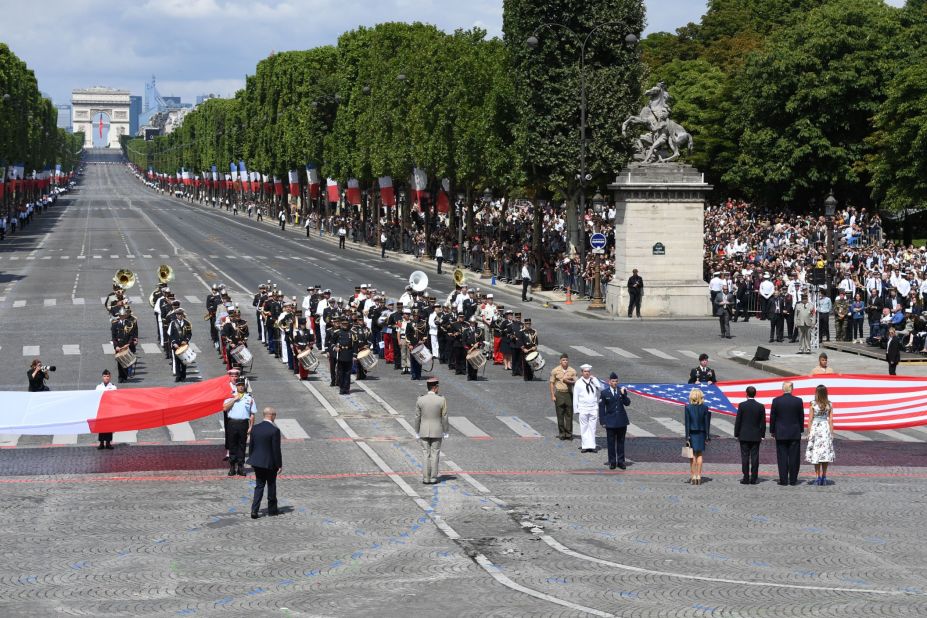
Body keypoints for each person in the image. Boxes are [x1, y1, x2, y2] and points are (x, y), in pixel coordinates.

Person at [248, 407, 283, 518]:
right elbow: (276, 450)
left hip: (257, 462)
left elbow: (251, 447)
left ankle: (254, 510)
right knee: (271, 485)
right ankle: (272, 510)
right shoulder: (274, 430)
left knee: (259, 486)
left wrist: (252, 459)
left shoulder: (255, 428)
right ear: (271, 415)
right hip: (270, 463)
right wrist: (279, 465)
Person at [413, 378, 449, 484]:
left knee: (425, 454)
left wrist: (416, 430)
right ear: (435, 387)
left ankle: (425, 478)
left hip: (423, 430)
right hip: (437, 430)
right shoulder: (441, 400)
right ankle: (433, 477)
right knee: (435, 454)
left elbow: (417, 417)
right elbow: (444, 417)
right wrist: (446, 430)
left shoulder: (420, 399)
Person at [769, 381, 805, 486]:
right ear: (792, 389)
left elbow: (773, 417)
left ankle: (783, 480)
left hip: (780, 432)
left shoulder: (776, 401)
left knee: (782, 457)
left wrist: (772, 430)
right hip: (794, 432)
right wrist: (801, 430)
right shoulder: (798, 401)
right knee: (794, 457)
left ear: (782, 389)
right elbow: (801, 417)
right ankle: (793, 480)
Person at [223, 380, 256, 477]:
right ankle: (232, 466)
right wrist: (234, 399)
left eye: (242, 385)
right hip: (232, 423)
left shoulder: (249, 399)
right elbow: (225, 408)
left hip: (243, 423)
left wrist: (251, 427)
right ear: (236, 386)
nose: (241, 387)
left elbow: (252, 414)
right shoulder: (229, 397)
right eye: (239, 385)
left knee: (242, 445)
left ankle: (241, 467)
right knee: (232, 445)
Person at [733, 386, 766, 484]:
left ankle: (746, 477)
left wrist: (736, 433)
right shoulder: (760, 406)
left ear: (746, 394)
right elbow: (763, 422)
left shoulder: (742, 405)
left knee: (745, 457)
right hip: (756, 435)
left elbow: (738, 420)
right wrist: (762, 435)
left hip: (744, 435)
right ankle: (754, 478)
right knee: (755, 457)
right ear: (755, 394)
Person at [599, 372, 631, 469]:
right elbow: (601, 408)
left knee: (621, 442)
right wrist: (603, 421)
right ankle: (612, 461)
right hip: (610, 422)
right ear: (609, 382)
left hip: (621, 421)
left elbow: (627, 403)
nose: (615, 383)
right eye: (613, 381)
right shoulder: (604, 393)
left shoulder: (621, 391)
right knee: (611, 442)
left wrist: (624, 394)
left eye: (616, 381)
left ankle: (621, 461)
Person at [805, 384, 835, 486]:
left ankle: (817, 477)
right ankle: (824, 476)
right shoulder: (829, 404)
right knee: (825, 453)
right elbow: (831, 420)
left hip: (816, 428)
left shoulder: (813, 404)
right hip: (825, 428)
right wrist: (831, 432)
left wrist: (809, 432)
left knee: (816, 453)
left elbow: (810, 419)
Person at [684, 388, 711, 485]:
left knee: (692, 456)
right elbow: (707, 423)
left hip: (692, 432)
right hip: (702, 433)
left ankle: (693, 476)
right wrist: (707, 435)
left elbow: (687, 423)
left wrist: (687, 436)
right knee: (699, 454)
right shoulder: (705, 407)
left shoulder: (688, 407)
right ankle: (699, 476)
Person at [572, 364, 601, 453]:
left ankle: (592, 445)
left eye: (588, 372)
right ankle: (585, 445)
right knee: (584, 427)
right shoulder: (579, 382)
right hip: (583, 408)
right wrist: (576, 409)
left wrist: (595, 379)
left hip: (593, 408)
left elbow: (600, 388)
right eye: (585, 371)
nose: (587, 373)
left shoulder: (593, 381)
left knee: (592, 428)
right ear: (582, 372)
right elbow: (575, 397)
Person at [549, 354, 577, 440]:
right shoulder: (555, 371)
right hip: (559, 393)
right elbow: (552, 383)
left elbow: (576, 382)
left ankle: (569, 434)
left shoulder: (572, 371)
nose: (565, 362)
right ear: (560, 361)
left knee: (569, 414)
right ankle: (562, 433)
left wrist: (569, 380)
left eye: (566, 360)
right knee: (560, 414)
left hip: (568, 393)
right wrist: (553, 395)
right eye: (563, 360)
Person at [95, 369, 117, 450]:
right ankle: (101, 443)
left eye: (108, 376)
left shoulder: (113, 387)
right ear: (102, 377)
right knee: (101, 426)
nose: (106, 378)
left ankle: (108, 443)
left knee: (109, 426)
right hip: (101, 409)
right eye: (104, 376)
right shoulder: (98, 387)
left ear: (110, 377)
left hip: (109, 409)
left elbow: (115, 398)